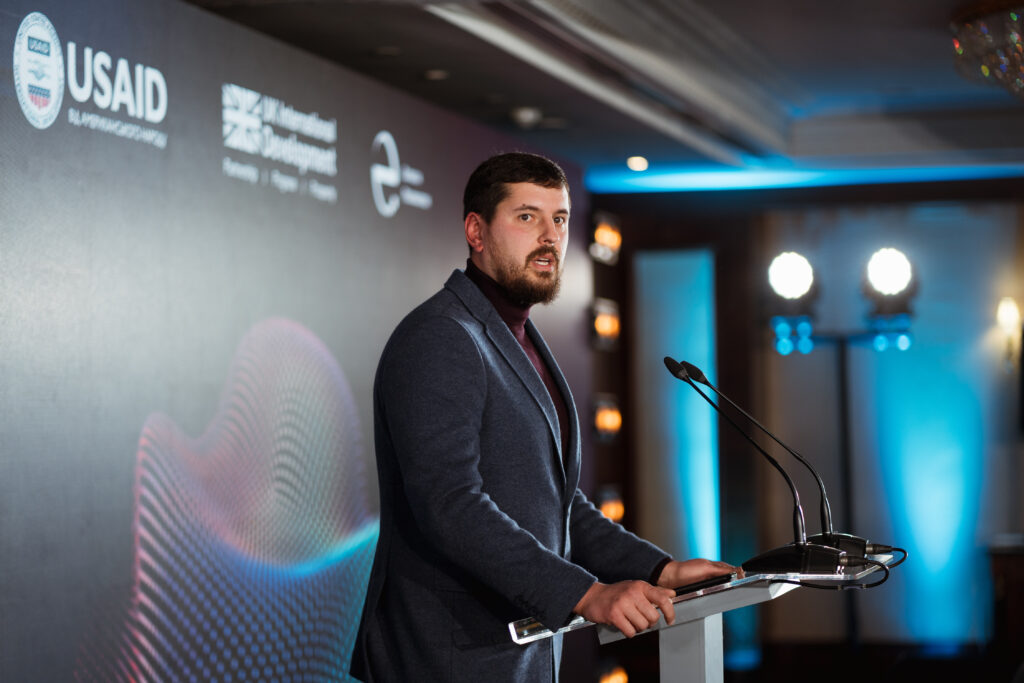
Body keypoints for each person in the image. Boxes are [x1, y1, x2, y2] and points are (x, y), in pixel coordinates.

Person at [350, 152, 736, 682]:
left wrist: (659, 569)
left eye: (559, 219)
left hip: (513, 654)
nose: (550, 237)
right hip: (445, 657)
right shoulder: (440, 337)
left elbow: (558, 503)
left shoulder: (521, 338)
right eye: (527, 217)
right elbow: (450, 505)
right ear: (476, 231)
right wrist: (585, 593)